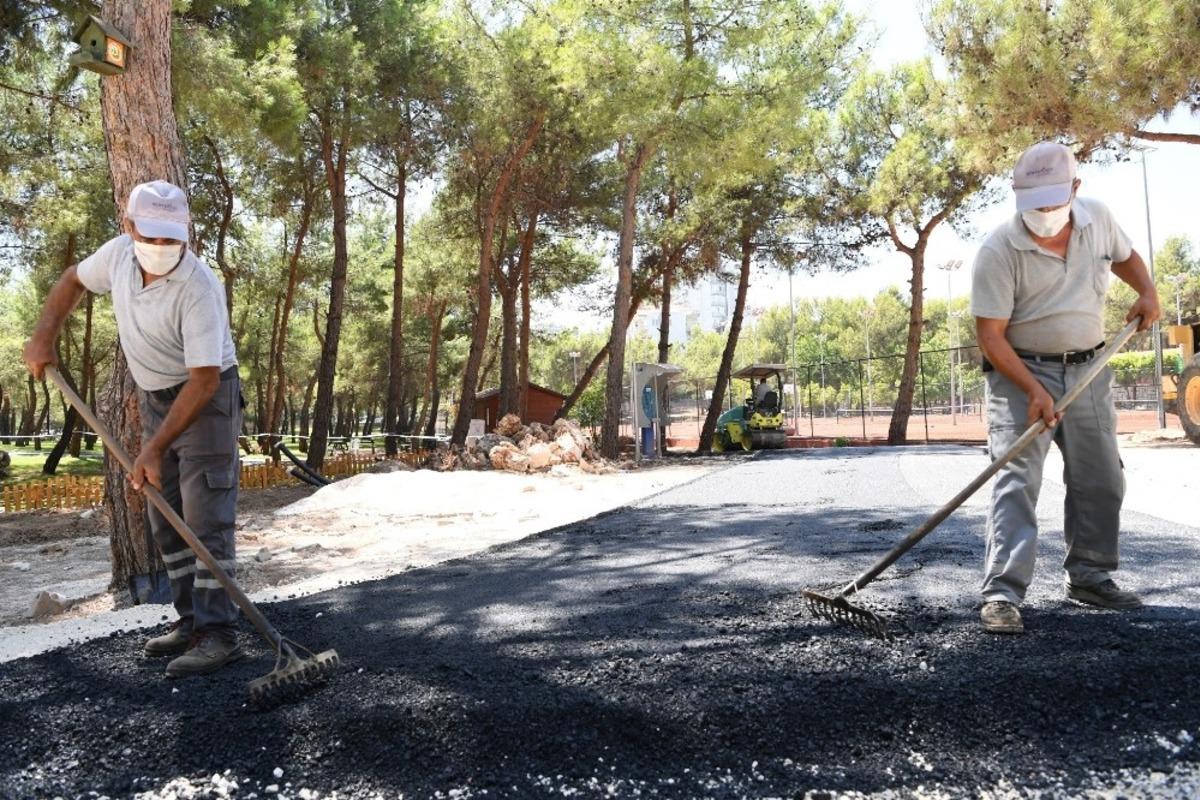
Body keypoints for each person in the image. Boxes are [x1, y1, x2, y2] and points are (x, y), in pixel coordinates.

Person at [23, 180, 244, 676]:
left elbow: (204, 381)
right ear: (129, 228)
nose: (163, 248)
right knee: (164, 514)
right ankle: (191, 622)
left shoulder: (198, 286)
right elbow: (71, 280)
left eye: (173, 239)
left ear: (185, 234)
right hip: (157, 397)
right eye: (153, 237)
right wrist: (43, 337)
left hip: (207, 398)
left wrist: (152, 446)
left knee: (204, 513)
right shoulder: (118, 256)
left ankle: (221, 633)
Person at [970, 141, 1161, 635]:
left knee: (1101, 478)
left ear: (1075, 188)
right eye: (1033, 203)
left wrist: (1147, 292)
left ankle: (1091, 578)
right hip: (1018, 375)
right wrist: (1033, 389)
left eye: (1053, 202)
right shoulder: (999, 249)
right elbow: (990, 336)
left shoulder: (1098, 218)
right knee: (1017, 481)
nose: (1044, 213)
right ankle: (1002, 594)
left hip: (1089, 370)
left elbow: (1126, 257)